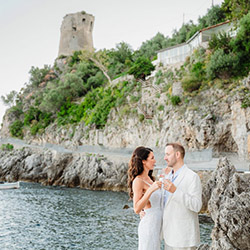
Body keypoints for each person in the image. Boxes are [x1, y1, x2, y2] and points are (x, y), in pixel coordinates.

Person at [162, 142, 202, 250]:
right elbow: (165, 203)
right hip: (168, 236)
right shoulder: (168, 176)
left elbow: (197, 205)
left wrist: (175, 191)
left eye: (168, 154)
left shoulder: (192, 177)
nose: (165, 158)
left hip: (184, 238)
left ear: (177, 155)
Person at [128, 146, 162, 250]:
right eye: (152, 158)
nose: (155, 161)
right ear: (143, 161)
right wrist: (151, 190)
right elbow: (137, 208)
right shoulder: (138, 181)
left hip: (157, 225)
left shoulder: (151, 179)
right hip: (149, 226)